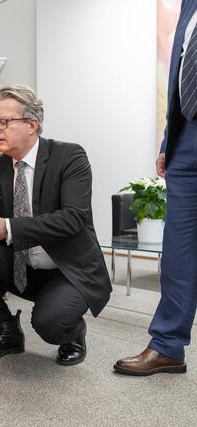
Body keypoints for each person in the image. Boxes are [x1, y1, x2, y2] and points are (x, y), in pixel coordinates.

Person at [0, 85, 111, 366]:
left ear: (32, 124)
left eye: (3, 122)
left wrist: (7, 228)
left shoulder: (69, 157)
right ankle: (8, 331)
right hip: (23, 268)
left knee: (50, 325)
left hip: (68, 271)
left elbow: (73, 219)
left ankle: (73, 332)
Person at [114, 0, 197, 376]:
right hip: (187, 140)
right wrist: (169, 140)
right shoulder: (188, 5)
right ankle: (167, 345)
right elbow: (181, 70)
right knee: (178, 253)